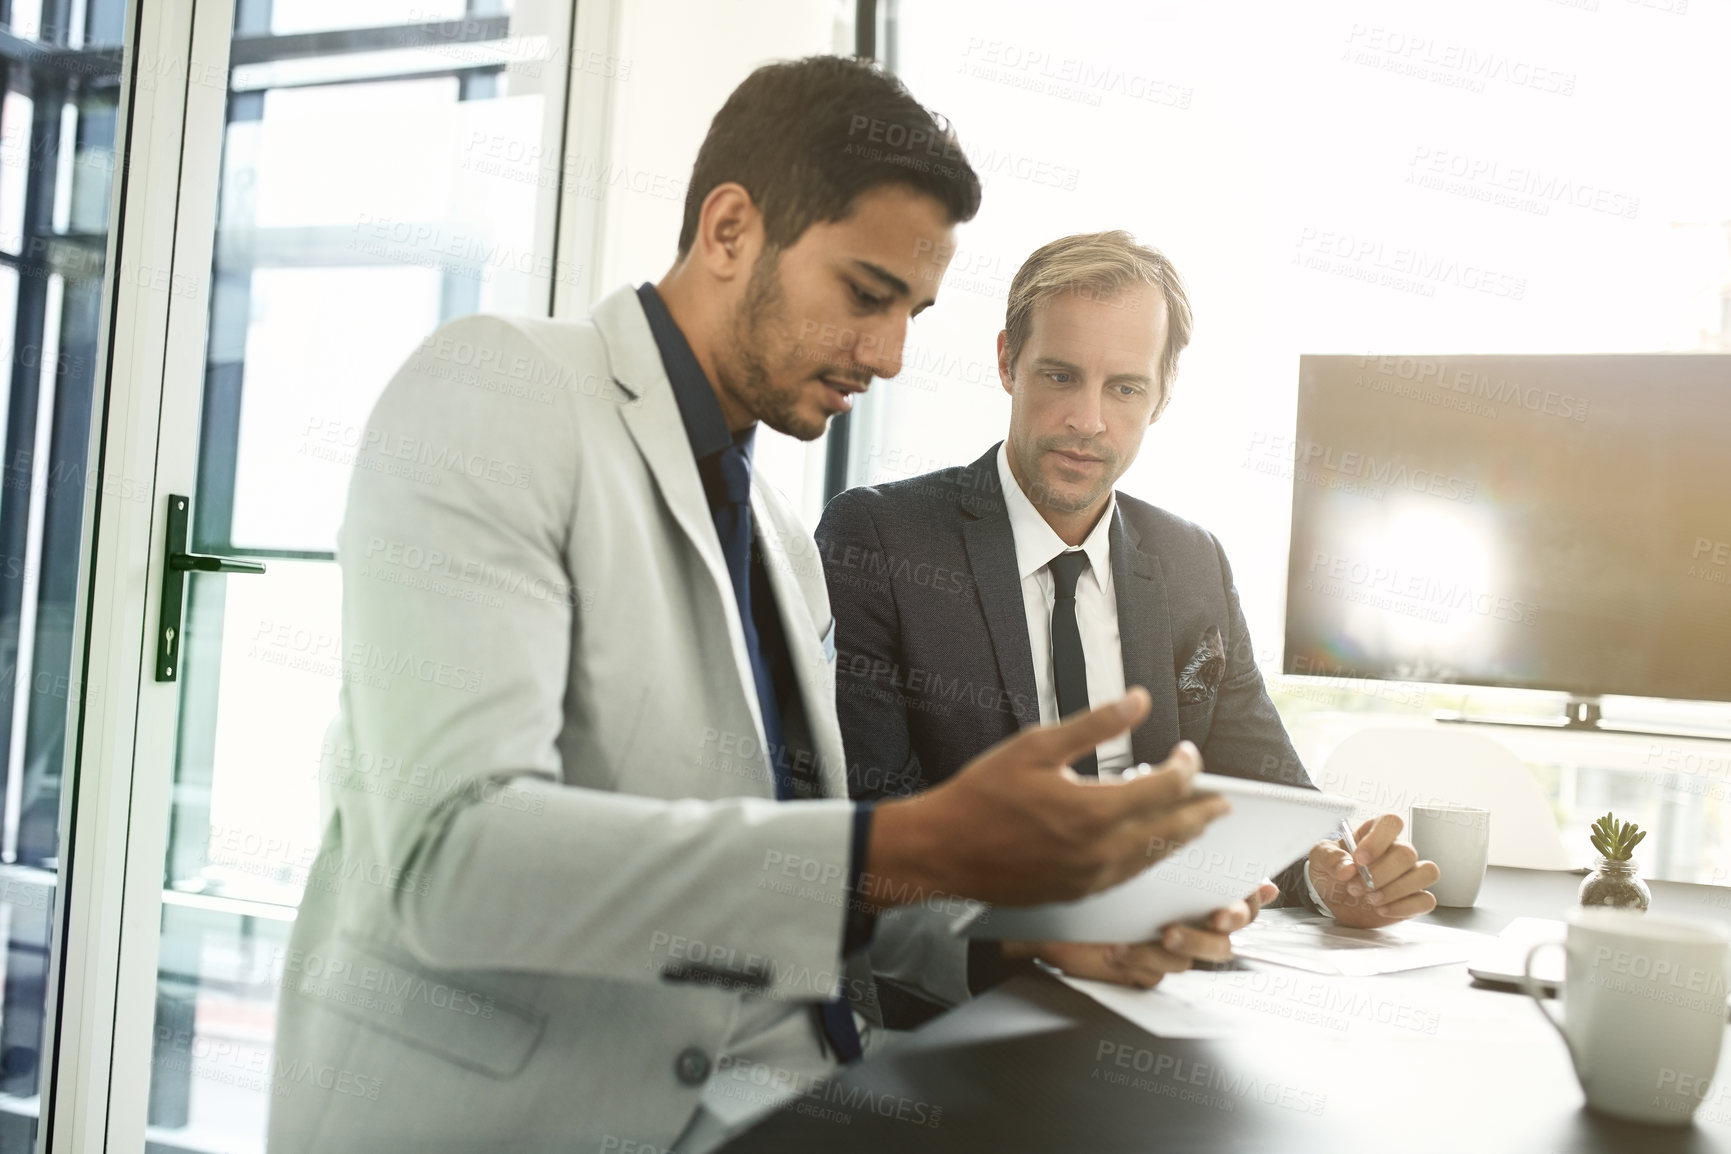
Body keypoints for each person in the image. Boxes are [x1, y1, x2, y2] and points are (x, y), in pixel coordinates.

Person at [267, 64, 1230, 1154]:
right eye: (866, 294)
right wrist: (910, 842)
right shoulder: (500, 390)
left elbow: (792, 879)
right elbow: (452, 860)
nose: (891, 355)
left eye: (910, 313)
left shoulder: (777, 535)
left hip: (801, 1089)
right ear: (729, 229)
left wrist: (1032, 942)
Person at [817, 230, 1441, 1014]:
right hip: (969, 994)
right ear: (1008, 360)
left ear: (1162, 393)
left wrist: (1326, 875)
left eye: (1124, 389)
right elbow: (865, 830)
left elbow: (1263, 790)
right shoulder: (880, 539)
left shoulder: (1190, 563)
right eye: (1059, 376)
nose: (1088, 421)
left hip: (1170, 988)